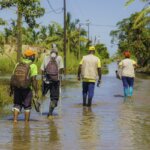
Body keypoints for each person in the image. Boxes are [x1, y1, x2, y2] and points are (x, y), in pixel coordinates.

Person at [10, 49, 38, 123]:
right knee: (27, 106)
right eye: (33, 55)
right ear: (31, 56)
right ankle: (26, 124)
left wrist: (11, 89)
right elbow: (34, 80)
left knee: (17, 104)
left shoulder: (18, 64)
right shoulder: (33, 66)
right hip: (27, 89)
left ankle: (15, 120)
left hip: (17, 87)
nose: (34, 57)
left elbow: (13, 77)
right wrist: (36, 91)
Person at [40, 48, 64, 117]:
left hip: (46, 80)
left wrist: (42, 79)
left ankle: (38, 103)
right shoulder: (59, 58)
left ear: (50, 53)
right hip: (55, 81)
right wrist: (60, 78)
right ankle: (50, 113)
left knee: (43, 94)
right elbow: (61, 69)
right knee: (55, 98)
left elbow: (42, 69)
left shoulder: (46, 58)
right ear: (57, 53)